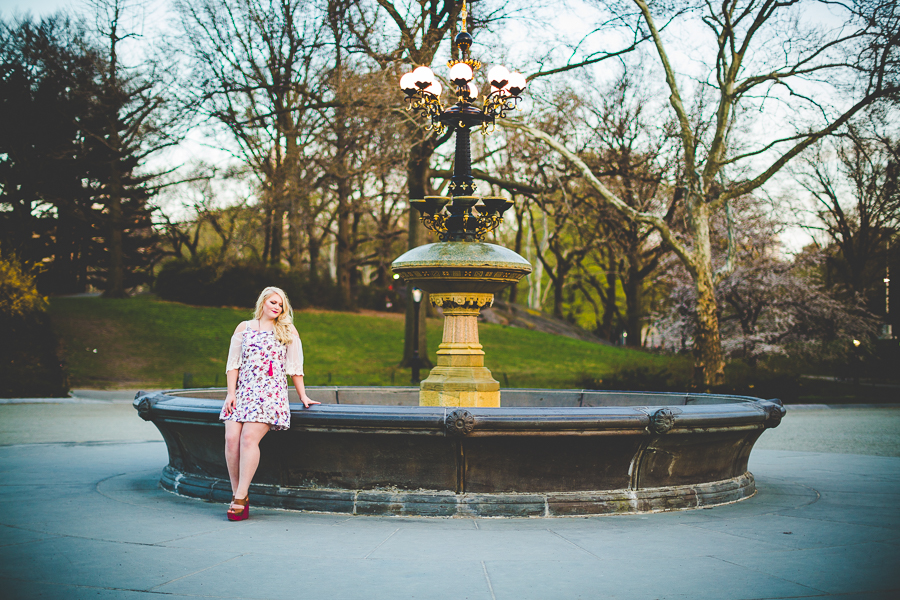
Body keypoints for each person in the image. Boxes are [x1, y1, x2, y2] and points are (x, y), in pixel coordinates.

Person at [220, 286, 319, 521]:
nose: (277, 307)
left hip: (269, 394)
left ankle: (241, 497)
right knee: (231, 439)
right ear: (263, 302)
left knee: (248, 438)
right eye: (273, 302)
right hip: (243, 392)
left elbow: (295, 368)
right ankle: (237, 493)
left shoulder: (287, 330)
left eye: (281, 305)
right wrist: (231, 393)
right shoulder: (244, 328)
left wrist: (303, 396)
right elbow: (233, 364)